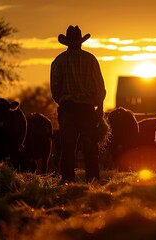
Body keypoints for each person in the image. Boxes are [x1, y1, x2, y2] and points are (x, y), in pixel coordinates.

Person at [50, 25, 106, 184]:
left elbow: (55, 89)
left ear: (67, 43)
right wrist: (99, 109)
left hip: (67, 109)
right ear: (81, 42)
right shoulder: (90, 59)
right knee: (90, 148)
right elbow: (99, 87)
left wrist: (63, 101)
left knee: (68, 148)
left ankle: (68, 182)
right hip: (87, 110)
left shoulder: (59, 61)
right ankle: (93, 182)